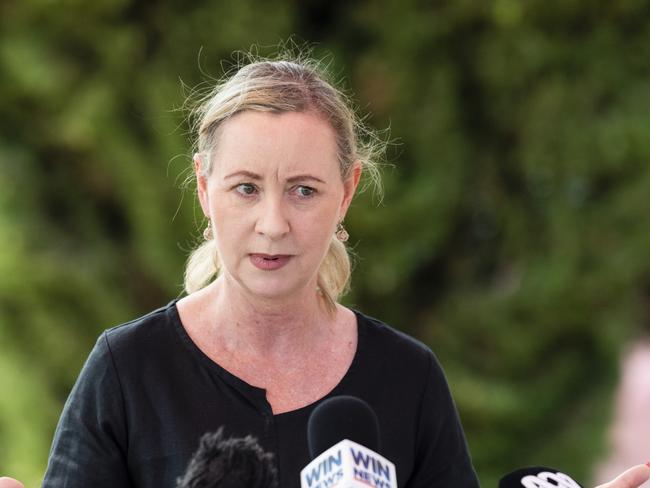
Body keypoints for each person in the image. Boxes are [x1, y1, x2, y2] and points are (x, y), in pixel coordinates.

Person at [2, 55, 648, 488]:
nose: (274, 223)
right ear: (204, 189)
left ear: (347, 191)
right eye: (246, 188)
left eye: (304, 190)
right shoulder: (127, 369)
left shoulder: (408, 376)